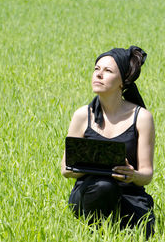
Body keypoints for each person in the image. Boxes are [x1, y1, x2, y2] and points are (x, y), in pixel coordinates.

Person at [61, 46, 155, 238]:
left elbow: (147, 174)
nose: (99, 75)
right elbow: (64, 169)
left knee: (142, 232)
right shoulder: (81, 116)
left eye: (108, 71)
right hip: (90, 192)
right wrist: (85, 167)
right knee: (104, 186)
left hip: (129, 194)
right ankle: (94, 229)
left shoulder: (142, 118)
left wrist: (132, 175)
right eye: (96, 69)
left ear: (123, 81)